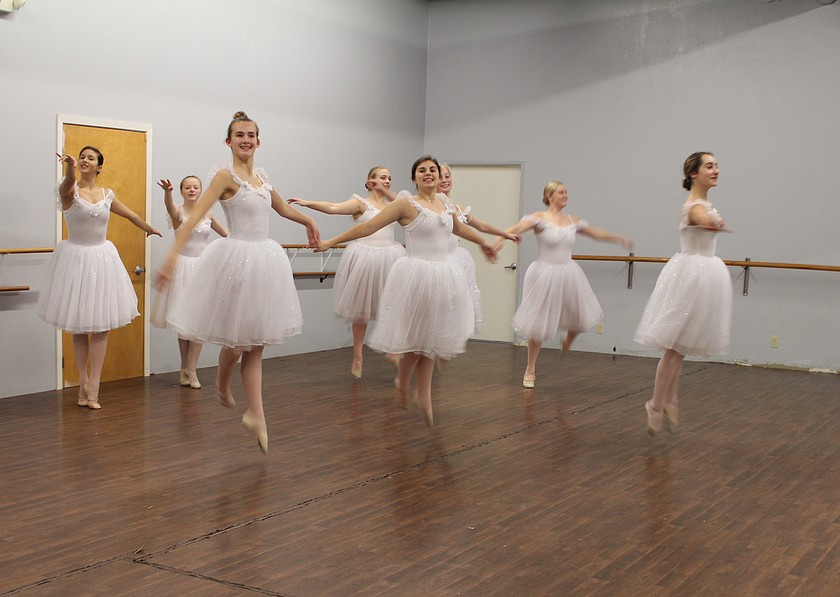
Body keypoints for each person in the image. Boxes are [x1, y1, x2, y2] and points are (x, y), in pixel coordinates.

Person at [156, 111, 320, 454]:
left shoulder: (261, 176)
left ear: (258, 141)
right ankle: (221, 381)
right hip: (237, 260)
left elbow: (281, 209)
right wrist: (171, 259)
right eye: (239, 135)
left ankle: (256, 414)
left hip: (265, 261)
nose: (246, 140)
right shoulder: (223, 176)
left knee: (255, 343)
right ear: (229, 141)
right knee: (234, 345)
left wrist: (307, 221)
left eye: (251, 135)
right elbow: (195, 217)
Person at [317, 155, 498, 427]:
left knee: (432, 339)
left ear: (439, 176)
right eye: (422, 171)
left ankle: (422, 394)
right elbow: (368, 226)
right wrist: (332, 241)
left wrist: (483, 242)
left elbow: (459, 228)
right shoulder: (405, 203)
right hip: (416, 275)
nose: (428, 174)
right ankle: (403, 380)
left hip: (443, 276)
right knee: (415, 338)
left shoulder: (446, 204)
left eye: (433, 170)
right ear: (414, 178)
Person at [38, 147, 162, 409]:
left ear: (99, 167)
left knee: (101, 326)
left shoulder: (107, 195)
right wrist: (70, 168)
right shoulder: (69, 192)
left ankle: (94, 385)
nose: (85, 160)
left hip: (102, 261)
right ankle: (82, 383)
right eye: (82, 157)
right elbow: (69, 182)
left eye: (90, 158)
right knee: (79, 327)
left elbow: (130, 214)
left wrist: (147, 228)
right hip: (75, 261)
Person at [495, 181, 632, 389]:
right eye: (561, 192)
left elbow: (596, 233)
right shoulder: (538, 218)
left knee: (580, 316)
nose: (565, 194)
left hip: (568, 272)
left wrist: (618, 238)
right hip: (544, 273)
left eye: (566, 191)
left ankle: (567, 340)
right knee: (538, 325)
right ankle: (530, 369)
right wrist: (499, 240)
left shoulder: (572, 220)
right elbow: (515, 229)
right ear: (550, 196)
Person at [635, 152, 732, 435]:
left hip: (703, 275)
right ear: (693, 174)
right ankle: (656, 403)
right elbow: (700, 217)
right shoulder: (692, 205)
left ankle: (669, 400)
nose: (716, 170)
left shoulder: (704, 203)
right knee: (675, 347)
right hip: (691, 276)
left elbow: (707, 218)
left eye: (716, 165)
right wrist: (715, 223)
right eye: (709, 166)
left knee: (681, 347)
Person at [287, 167, 405, 379]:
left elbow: (406, 205)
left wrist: (387, 192)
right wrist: (308, 203)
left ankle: (392, 348)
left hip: (391, 256)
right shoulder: (360, 203)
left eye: (389, 178)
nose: (387, 181)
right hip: (366, 257)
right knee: (361, 310)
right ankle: (358, 355)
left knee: (395, 304)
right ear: (369, 181)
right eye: (382, 177)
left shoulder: (394, 205)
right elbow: (333, 207)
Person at [152, 176, 228, 389]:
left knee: (199, 322)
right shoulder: (178, 213)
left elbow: (225, 234)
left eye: (195, 187)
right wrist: (167, 193)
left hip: (202, 269)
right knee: (184, 324)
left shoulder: (208, 213)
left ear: (201, 190)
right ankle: (185, 368)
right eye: (187, 187)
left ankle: (191, 370)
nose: (192, 190)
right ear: (182, 191)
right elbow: (169, 208)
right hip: (182, 269)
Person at [438, 163, 518, 336]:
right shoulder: (433, 207)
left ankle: (444, 351)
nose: (445, 180)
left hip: (457, 261)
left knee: (455, 309)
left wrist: (505, 234)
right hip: (438, 261)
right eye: (440, 176)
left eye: (447, 176)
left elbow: (481, 225)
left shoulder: (458, 208)